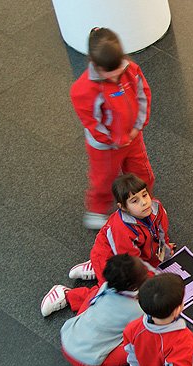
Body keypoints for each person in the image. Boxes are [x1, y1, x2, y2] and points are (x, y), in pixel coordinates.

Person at [70, 27, 154, 230]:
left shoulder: (131, 70)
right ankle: (96, 211)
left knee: (142, 172)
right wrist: (115, 140)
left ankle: (140, 201)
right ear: (95, 64)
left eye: (119, 71)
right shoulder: (83, 90)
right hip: (105, 147)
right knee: (104, 179)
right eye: (110, 74)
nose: (116, 78)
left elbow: (143, 96)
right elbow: (92, 122)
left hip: (133, 137)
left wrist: (137, 127)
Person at [62, 174, 172, 304]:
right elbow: (130, 264)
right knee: (114, 295)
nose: (144, 202)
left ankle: (95, 268)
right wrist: (151, 280)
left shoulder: (157, 208)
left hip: (129, 254)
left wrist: (165, 247)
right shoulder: (121, 228)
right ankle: (66, 295)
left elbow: (162, 232)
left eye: (144, 195)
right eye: (134, 201)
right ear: (123, 207)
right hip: (110, 257)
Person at [42, 255, 147, 366]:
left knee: (94, 296)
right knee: (143, 340)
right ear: (133, 286)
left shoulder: (105, 287)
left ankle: (68, 295)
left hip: (66, 341)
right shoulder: (137, 311)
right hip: (91, 364)